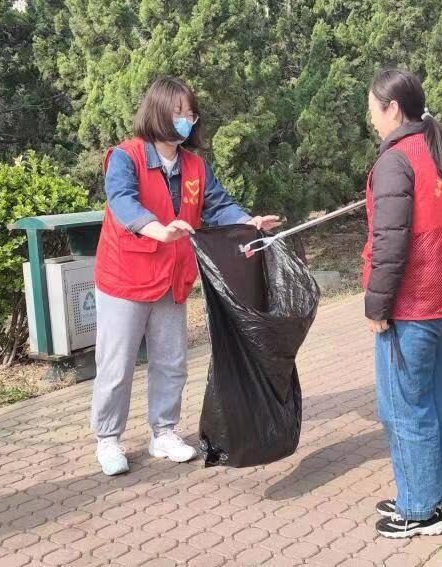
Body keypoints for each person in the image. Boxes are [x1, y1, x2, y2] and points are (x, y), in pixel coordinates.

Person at [91, 77, 281, 475]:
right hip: (127, 277)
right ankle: (108, 438)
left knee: (171, 360)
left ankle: (164, 432)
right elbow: (122, 202)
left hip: (173, 278)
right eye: (178, 112)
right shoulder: (126, 157)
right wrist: (156, 228)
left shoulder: (194, 166)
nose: (186, 120)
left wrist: (249, 221)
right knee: (117, 363)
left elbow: (218, 205)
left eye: (190, 113)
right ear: (157, 111)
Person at [362, 69, 442, 538]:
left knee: (403, 408)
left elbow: (389, 242)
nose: (371, 120)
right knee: (430, 400)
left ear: (392, 108)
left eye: (372, 109)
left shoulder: (396, 160)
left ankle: (420, 511)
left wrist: (376, 305)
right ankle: (428, 494)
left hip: (412, 303)